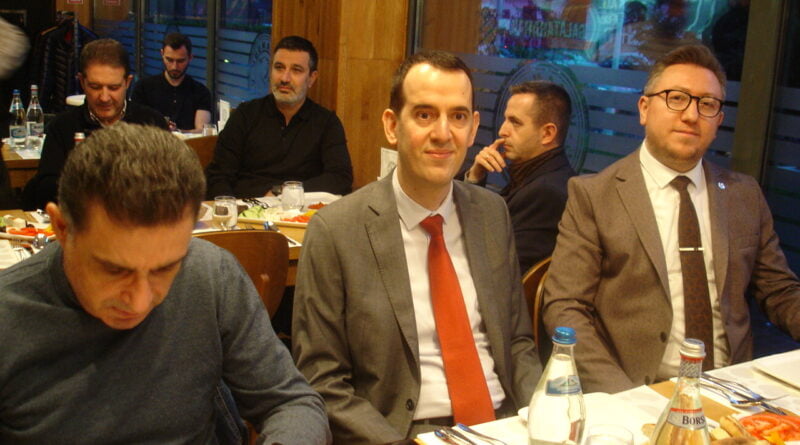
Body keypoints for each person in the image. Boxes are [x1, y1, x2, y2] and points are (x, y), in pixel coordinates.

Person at [0, 122, 331, 444]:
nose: (140, 302)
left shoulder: (210, 274)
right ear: (61, 228)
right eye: (115, 270)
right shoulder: (9, 317)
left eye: (165, 269)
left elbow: (291, 404)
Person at [292, 50, 542, 444]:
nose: (443, 133)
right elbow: (322, 381)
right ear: (392, 126)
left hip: (504, 426)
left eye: (458, 116)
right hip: (405, 432)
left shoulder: (492, 214)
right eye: (425, 115)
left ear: (473, 129)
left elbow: (517, 342)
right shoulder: (336, 232)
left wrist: (542, 417)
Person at [542, 44, 800, 394]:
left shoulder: (744, 195)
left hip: (732, 390)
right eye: (676, 98)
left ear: (718, 120)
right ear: (644, 108)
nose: (691, 115)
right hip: (637, 391)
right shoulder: (595, 195)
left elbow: (779, 291)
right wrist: (625, 398)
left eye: (707, 104)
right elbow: (565, 307)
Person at [23, 38, 167, 210]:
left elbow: (170, 185)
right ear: (82, 82)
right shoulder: (62, 126)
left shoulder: (152, 124)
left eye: (113, 88)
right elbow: (45, 191)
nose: (104, 97)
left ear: (127, 83)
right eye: (95, 87)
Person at [205, 35, 352, 198]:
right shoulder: (245, 115)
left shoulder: (327, 123)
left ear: (311, 78)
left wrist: (283, 192)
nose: (284, 78)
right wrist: (230, 208)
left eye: (296, 70)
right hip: (247, 207)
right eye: (279, 68)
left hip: (302, 210)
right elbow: (218, 175)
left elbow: (340, 178)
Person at [464, 80, 576, 273]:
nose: (502, 131)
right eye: (505, 119)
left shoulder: (547, 192)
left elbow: (492, 266)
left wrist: (473, 185)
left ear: (547, 133)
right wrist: (475, 176)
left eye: (515, 122)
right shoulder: (534, 175)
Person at [130, 32, 213, 132]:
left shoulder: (201, 92)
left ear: (190, 58)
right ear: (162, 54)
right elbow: (135, 128)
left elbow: (201, 131)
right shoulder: (143, 88)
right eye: (169, 60)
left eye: (180, 61)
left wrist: (177, 132)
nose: (174, 66)